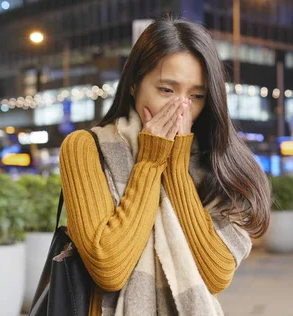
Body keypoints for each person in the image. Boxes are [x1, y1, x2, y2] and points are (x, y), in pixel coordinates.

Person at [59, 15, 272, 316]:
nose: (181, 108)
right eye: (167, 91)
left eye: (196, 96)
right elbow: (110, 267)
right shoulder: (86, 148)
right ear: (134, 84)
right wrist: (150, 161)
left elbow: (216, 273)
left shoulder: (216, 161)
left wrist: (174, 166)